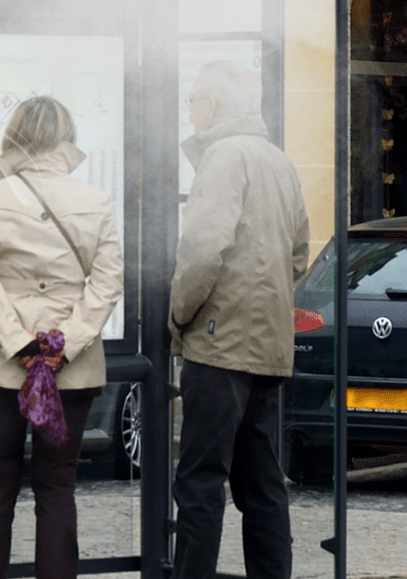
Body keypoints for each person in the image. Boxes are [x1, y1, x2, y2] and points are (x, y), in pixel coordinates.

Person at [0, 95, 123, 579]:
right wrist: (61, 346)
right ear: (66, 139)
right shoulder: (94, 201)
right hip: (69, 371)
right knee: (56, 489)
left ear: (15, 134)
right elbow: (108, 283)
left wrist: (21, 345)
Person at [169, 61, 309, 579]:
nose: (190, 112)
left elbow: (203, 250)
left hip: (219, 342)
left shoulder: (223, 156)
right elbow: (297, 255)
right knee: (263, 484)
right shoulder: (279, 160)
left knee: (201, 481)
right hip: (267, 345)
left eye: (192, 102)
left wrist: (180, 314)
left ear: (211, 106)